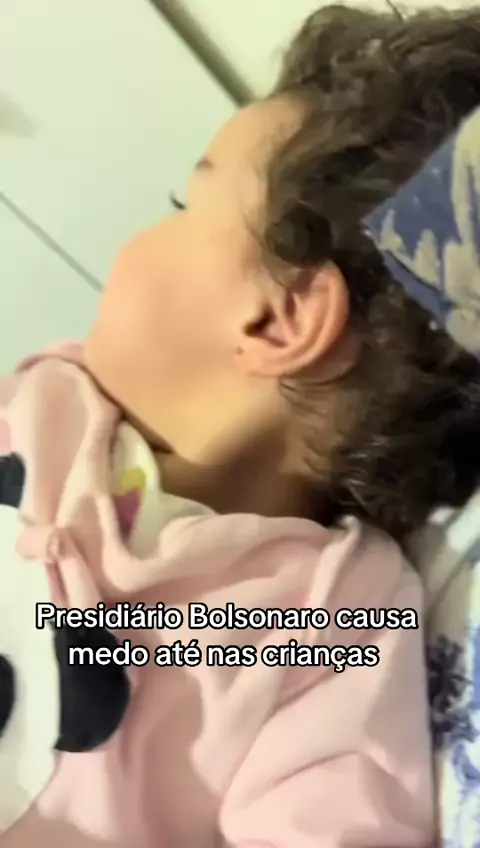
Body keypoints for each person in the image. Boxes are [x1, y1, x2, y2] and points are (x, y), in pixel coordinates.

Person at [3, 5, 480, 847]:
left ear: (277, 320)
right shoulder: (40, 402)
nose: (145, 231)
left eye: (184, 204)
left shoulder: (332, 619)